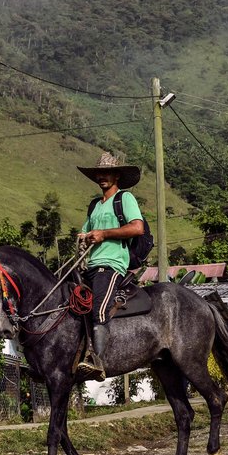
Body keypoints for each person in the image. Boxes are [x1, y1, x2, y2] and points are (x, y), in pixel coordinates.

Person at [75, 151, 146, 382]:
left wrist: (104, 234)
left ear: (116, 176)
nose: (102, 176)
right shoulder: (95, 204)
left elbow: (137, 228)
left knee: (99, 309)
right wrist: (84, 236)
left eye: (107, 172)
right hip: (90, 265)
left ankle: (97, 362)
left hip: (112, 263)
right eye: (99, 173)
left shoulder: (124, 199)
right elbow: (88, 231)